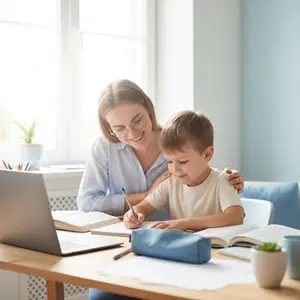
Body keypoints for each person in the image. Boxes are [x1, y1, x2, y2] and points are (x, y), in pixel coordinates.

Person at [76, 79, 244, 300]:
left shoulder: (176, 140)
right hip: (139, 246)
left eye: (137, 121)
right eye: (119, 128)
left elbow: (204, 173)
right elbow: (92, 203)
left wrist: (231, 179)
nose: (132, 133)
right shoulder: (106, 149)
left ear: (149, 109)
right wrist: (137, 209)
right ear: (110, 129)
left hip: (179, 250)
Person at [124, 110, 244, 231]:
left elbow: (235, 217)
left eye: (182, 162)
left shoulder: (222, 181)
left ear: (207, 154)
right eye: (169, 161)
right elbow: (142, 208)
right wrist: (133, 215)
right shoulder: (171, 183)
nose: (174, 169)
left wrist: (185, 223)